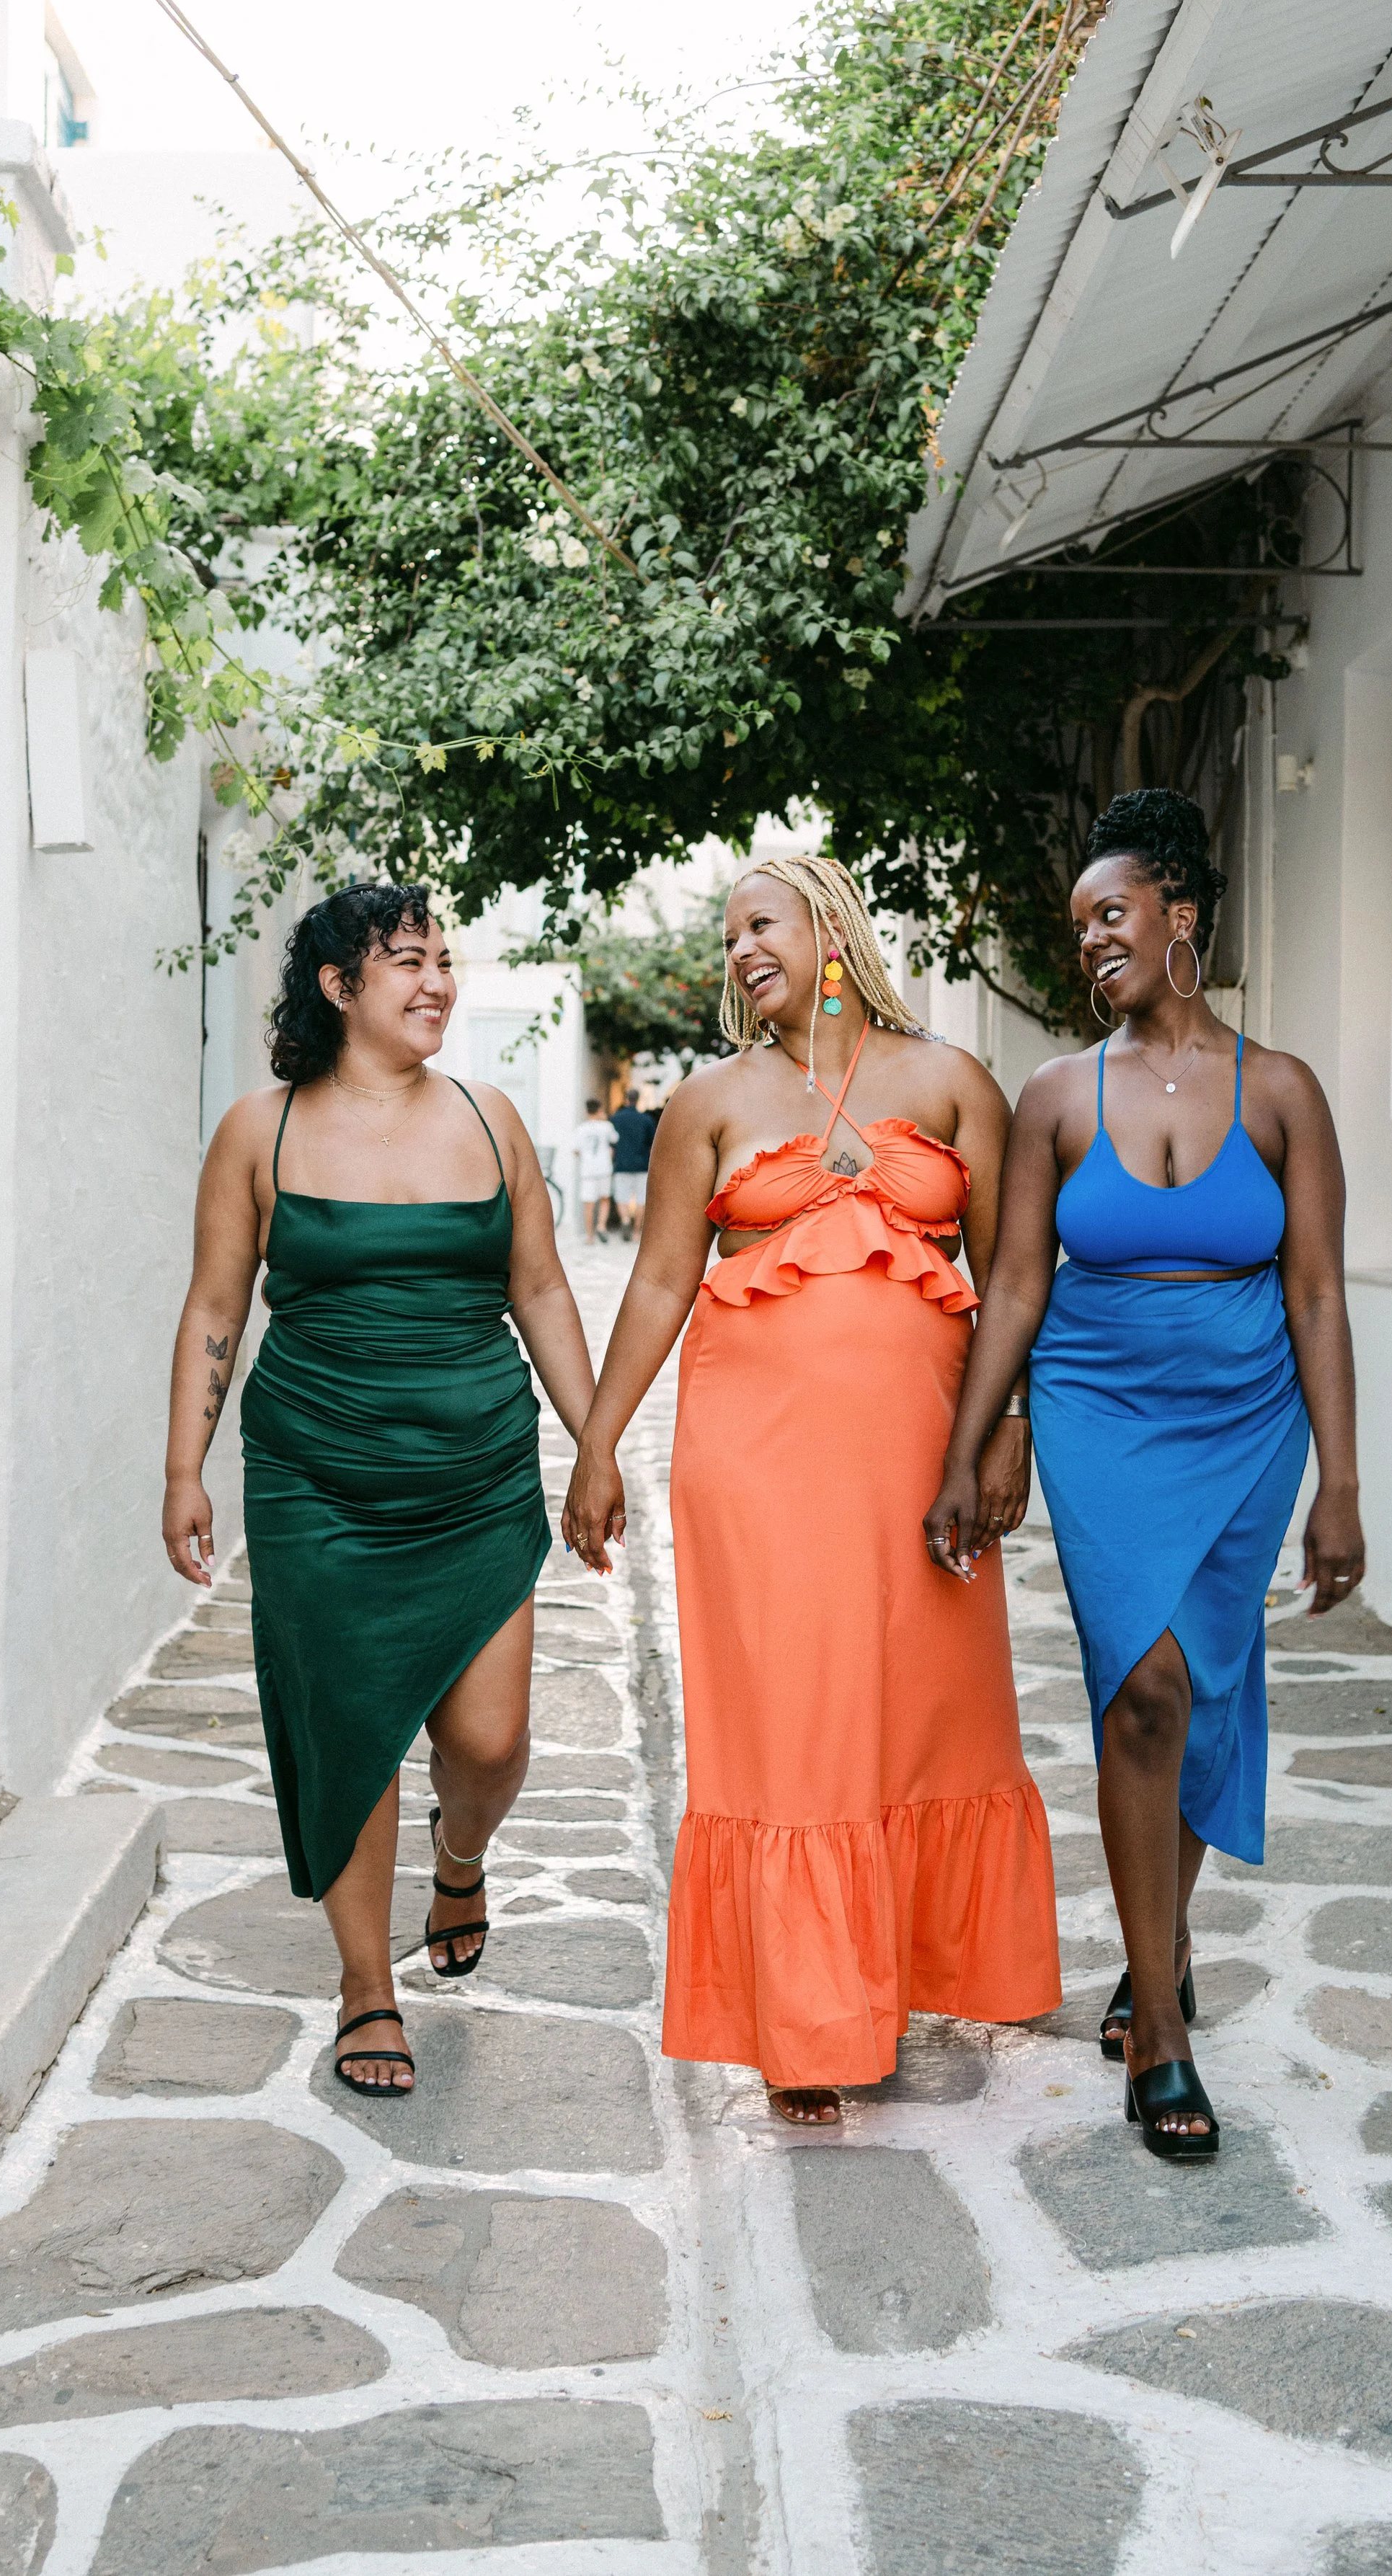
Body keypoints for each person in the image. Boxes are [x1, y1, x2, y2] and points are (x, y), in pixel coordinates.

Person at [562, 855, 1060, 2123]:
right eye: (728, 936)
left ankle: (896, 1980)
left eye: (759, 924)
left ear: (832, 929)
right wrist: (600, 1442)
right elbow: (665, 1283)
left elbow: (1010, 1274)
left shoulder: (951, 1082)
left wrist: (1007, 1427)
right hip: (759, 1465)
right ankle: (805, 2023)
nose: (739, 951)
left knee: (918, 1709)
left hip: (920, 1461)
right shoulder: (709, 1103)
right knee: (790, 1726)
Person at [926, 791, 1364, 2162]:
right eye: (1077, 928)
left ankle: (1157, 1959)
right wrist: (966, 1449)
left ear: (1181, 911)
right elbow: (1010, 1286)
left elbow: (1318, 1295)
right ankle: (1163, 2031)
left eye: (1110, 914)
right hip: (1101, 1410)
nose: (1090, 942)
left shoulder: (1281, 1090)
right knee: (1146, 1690)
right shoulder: (1057, 1095)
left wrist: (1341, 1485)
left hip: (1246, 1418)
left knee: (1204, 1696)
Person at [161, 884, 596, 2096]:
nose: (438, 983)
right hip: (317, 1479)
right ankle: (367, 1988)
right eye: (408, 963)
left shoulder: (488, 1115)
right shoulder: (265, 1130)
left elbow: (545, 1292)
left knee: (491, 1739)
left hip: (475, 1475)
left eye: (445, 962)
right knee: (350, 1733)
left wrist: (596, 1443)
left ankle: (461, 1858)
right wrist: (182, 1468)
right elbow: (215, 1304)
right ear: (339, 989)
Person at [609, 1088, 657, 1241]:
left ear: (626, 1099)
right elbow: (652, 1144)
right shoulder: (646, 1120)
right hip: (642, 1165)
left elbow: (611, 1143)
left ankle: (625, 1220)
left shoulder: (616, 1119)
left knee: (621, 1198)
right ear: (638, 1099)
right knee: (641, 1200)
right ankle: (636, 1233)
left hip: (622, 1164)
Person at [572, 1098, 619, 1244]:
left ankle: (590, 1237)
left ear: (586, 1112)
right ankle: (601, 1225)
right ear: (600, 1110)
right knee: (605, 1199)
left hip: (588, 1171)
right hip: (604, 1168)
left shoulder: (581, 1129)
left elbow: (576, 1151)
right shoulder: (607, 1126)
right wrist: (604, 1119)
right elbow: (615, 1140)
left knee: (589, 1204)